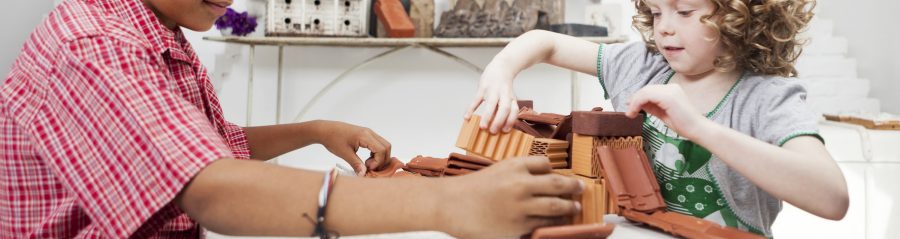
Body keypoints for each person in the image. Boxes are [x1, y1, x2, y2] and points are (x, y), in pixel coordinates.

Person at [0, 0, 584, 238]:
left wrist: (316, 128)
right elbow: (212, 188)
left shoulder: (162, 33)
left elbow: (206, 146)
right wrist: (445, 204)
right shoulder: (94, 43)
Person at [465, 0, 848, 237]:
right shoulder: (641, 66)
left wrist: (698, 128)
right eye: (654, 11)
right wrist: (500, 70)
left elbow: (832, 198)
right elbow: (544, 41)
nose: (664, 26)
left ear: (741, 14)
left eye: (683, 11)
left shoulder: (766, 97)